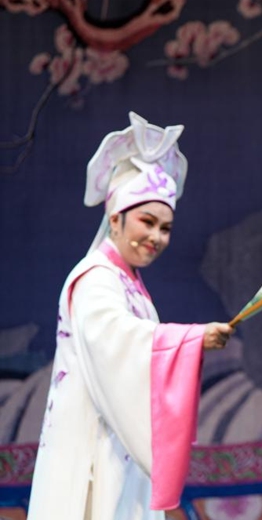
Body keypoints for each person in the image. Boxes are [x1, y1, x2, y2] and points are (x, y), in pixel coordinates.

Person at [27, 112, 233, 519]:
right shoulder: (94, 279)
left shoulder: (127, 283)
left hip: (116, 448)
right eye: (148, 221)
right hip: (92, 451)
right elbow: (119, 340)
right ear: (116, 217)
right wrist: (193, 339)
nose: (156, 237)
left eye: (166, 227)